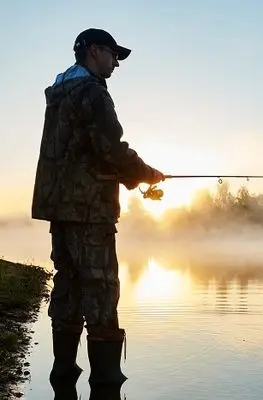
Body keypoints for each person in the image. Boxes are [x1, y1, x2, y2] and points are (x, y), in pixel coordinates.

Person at [31, 28, 165, 386]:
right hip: (90, 209)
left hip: (59, 206)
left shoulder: (60, 94)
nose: (117, 63)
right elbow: (112, 149)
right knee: (102, 286)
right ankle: (106, 381)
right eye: (113, 55)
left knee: (69, 283)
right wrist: (148, 174)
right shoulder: (91, 92)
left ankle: (63, 372)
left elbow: (81, 151)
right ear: (93, 51)